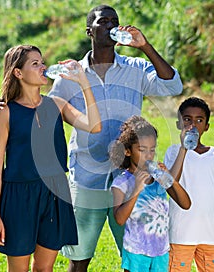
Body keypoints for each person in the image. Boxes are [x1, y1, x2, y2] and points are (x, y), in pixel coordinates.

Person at [47, 5, 183, 272]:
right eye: (103, 21)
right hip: (87, 175)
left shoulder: (136, 67)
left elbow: (172, 84)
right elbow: (48, 108)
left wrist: (144, 46)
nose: (110, 25)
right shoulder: (72, 73)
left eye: (114, 21)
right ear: (89, 30)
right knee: (80, 258)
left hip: (130, 177)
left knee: (135, 256)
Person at [0, 45, 101, 272]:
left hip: (55, 193)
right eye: (35, 63)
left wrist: (84, 83)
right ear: (18, 73)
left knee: (44, 269)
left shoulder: (57, 105)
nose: (44, 67)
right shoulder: (6, 113)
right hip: (19, 196)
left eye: (42, 62)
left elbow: (94, 126)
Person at [109, 115, 191, 272]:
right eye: (142, 150)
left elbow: (186, 204)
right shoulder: (121, 183)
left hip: (161, 252)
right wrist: (137, 189)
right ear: (127, 151)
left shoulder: (158, 179)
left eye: (152, 150)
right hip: (136, 252)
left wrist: (171, 179)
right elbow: (119, 219)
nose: (148, 155)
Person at [164, 97, 214, 272]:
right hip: (180, 234)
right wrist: (183, 147)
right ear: (178, 124)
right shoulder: (173, 152)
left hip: (209, 234)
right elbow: (172, 182)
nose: (192, 125)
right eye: (187, 119)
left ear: (207, 126)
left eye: (199, 120)